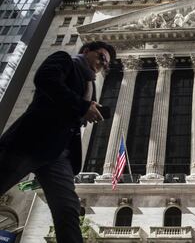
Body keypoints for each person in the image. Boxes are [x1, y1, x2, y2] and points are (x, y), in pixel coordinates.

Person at [0, 41, 115, 243]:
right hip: (31, 142)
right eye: (101, 58)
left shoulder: (91, 84)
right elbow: (45, 79)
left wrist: (89, 112)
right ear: (86, 51)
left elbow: (77, 112)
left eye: (106, 64)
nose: (102, 65)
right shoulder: (64, 60)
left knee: (68, 211)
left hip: (60, 155)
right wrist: (82, 107)